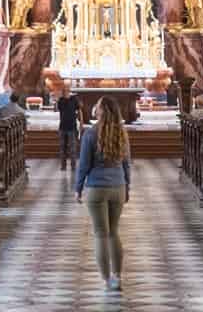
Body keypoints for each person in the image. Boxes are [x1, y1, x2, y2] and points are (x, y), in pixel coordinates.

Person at [74, 101, 132, 290]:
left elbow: (84, 164)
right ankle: (117, 277)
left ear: (98, 111)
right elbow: (126, 164)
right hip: (118, 186)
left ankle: (107, 281)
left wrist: (78, 187)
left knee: (100, 234)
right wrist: (127, 187)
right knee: (114, 232)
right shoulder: (122, 132)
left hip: (96, 187)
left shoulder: (90, 133)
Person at [57, 86, 82, 168]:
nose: (65, 93)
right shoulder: (61, 100)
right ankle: (63, 165)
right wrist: (59, 99)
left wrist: (81, 122)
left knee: (73, 148)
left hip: (72, 126)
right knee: (62, 148)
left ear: (69, 92)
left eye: (66, 91)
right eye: (64, 91)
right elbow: (59, 109)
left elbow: (79, 110)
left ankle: (73, 165)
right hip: (62, 126)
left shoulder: (74, 99)